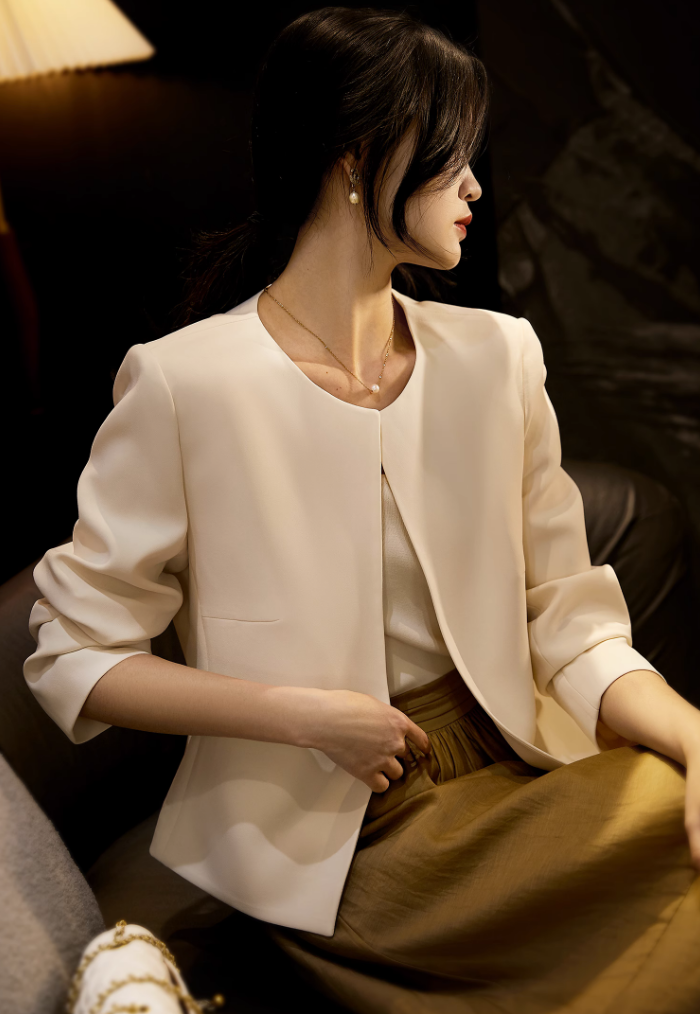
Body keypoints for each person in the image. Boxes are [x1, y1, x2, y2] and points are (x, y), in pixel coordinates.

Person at [24, 7, 700, 1012]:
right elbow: (73, 654)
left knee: (666, 816)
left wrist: (692, 738)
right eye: (451, 153)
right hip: (337, 839)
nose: (474, 185)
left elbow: (570, 622)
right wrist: (299, 716)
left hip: (520, 766)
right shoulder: (184, 385)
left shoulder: (498, 359)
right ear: (358, 157)